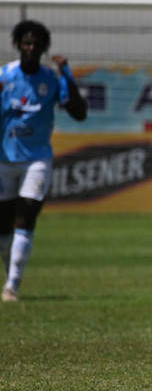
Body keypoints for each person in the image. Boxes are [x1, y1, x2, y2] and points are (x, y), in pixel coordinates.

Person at [0, 20, 88, 302]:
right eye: (26, 43)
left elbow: (79, 113)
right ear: (18, 45)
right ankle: (11, 274)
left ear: (43, 48)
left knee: (26, 216)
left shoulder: (51, 79)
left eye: (36, 44)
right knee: (3, 227)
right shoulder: (4, 76)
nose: (31, 48)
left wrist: (67, 73)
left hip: (36, 160)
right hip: (4, 159)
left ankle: (12, 285)